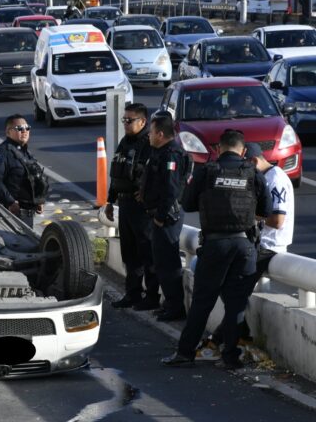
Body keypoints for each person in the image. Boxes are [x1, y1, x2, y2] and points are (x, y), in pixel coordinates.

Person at [162, 130, 271, 370]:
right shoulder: (253, 173)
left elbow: (187, 202)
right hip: (244, 246)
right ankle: (230, 357)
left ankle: (185, 353)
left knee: (203, 302)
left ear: (219, 149)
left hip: (214, 245)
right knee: (236, 304)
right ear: (243, 151)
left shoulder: (207, 171)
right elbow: (267, 209)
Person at [194, 142, 294, 361]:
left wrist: (246, 215)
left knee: (232, 293)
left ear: (254, 161)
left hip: (267, 247)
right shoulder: (265, 176)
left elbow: (277, 220)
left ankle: (225, 340)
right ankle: (237, 337)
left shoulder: (274, 179)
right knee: (229, 292)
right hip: (254, 245)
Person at [106, 104, 159, 310]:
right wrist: (110, 201)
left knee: (147, 252)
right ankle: (132, 293)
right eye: (124, 120)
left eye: (130, 120)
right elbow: (116, 172)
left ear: (142, 122)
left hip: (141, 207)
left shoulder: (149, 144)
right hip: (125, 203)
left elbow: (155, 175)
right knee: (129, 254)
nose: (126, 124)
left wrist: (147, 195)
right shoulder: (125, 142)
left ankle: (152, 296)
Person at [140, 113, 191, 322]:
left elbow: (171, 190)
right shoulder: (160, 152)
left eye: (151, 132)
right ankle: (169, 303)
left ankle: (176, 307)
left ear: (160, 134)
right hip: (159, 215)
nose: (149, 136)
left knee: (169, 264)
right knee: (160, 263)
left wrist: (160, 217)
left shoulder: (171, 155)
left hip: (168, 217)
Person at [0, 114, 49, 227]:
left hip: (28, 214)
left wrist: (39, 200)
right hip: (10, 214)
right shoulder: (2, 152)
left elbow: (32, 178)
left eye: (27, 128)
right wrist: (10, 202)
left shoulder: (25, 153)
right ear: (8, 132)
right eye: (19, 128)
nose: (24, 131)